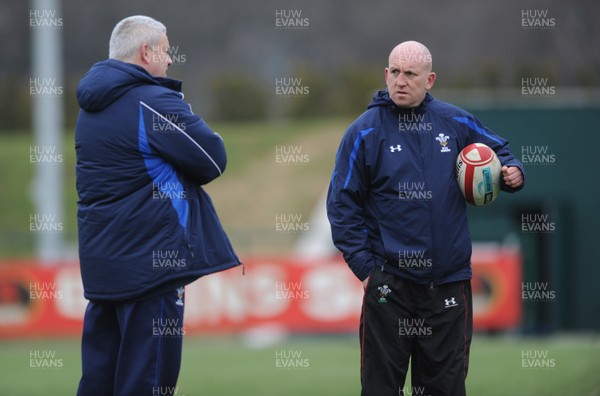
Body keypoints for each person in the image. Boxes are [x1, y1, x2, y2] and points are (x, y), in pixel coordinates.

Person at [326, 41, 524, 396]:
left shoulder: (455, 121)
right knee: (380, 390)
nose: (401, 81)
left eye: (411, 74)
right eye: (395, 73)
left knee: (444, 390)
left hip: (448, 286)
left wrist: (513, 172)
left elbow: (500, 152)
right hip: (390, 288)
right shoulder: (364, 132)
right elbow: (342, 205)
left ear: (429, 79)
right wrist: (367, 270)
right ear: (386, 75)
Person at [75, 15, 240, 396]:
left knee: (99, 382)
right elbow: (213, 158)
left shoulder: (89, 109)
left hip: (103, 270)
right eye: (166, 52)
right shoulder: (152, 101)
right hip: (152, 268)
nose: (169, 61)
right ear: (146, 51)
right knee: (149, 384)